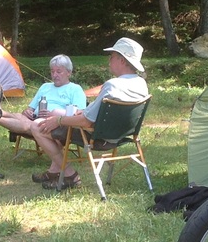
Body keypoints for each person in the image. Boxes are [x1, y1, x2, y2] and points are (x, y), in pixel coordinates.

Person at [31, 37, 149, 190]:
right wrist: (83, 111)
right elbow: (103, 110)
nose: (109, 61)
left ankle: (69, 175)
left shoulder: (113, 85)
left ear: (122, 60)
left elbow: (86, 122)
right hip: (122, 134)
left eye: (111, 57)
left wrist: (59, 120)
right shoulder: (141, 84)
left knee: (36, 126)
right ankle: (54, 171)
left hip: (97, 137)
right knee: (59, 118)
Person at [0, 55, 87, 180]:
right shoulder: (45, 87)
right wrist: (28, 111)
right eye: (52, 71)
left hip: (55, 124)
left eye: (59, 71)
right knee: (21, 116)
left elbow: (78, 113)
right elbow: (29, 109)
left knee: (28, 125)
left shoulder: (75, 89)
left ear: (69, 72)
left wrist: (54, 114)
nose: (55, 75)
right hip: (35, 118)